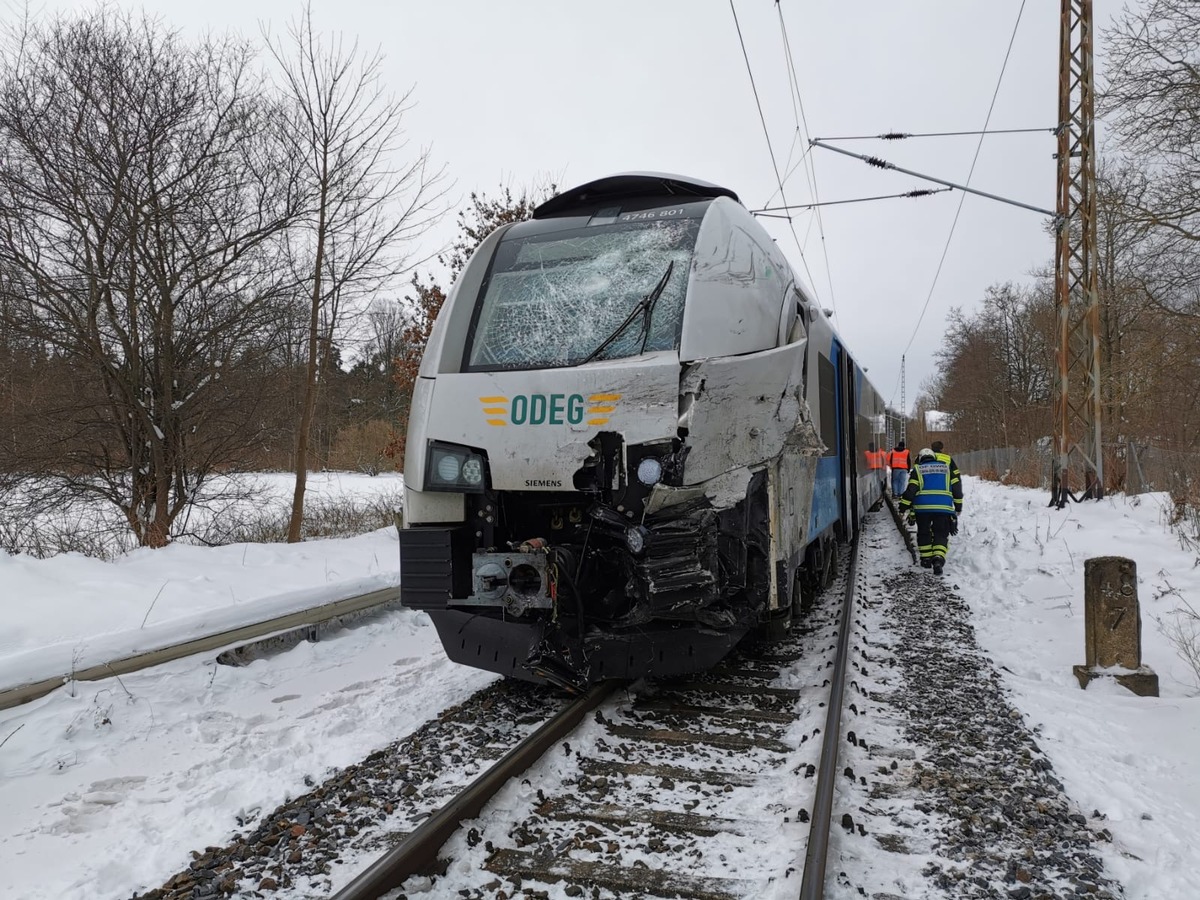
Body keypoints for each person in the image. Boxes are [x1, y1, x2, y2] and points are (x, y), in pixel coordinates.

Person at [898, 447, 963, 575]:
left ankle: (926, 559)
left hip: (923, 509)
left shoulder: (918, 469)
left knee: (923, 532)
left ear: (921, 458)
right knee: (940, 533)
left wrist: (903, 507)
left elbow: (911, 491)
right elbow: (956, 488)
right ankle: (938, 558)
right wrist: (958, 507)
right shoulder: (946, 469)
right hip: (943, 509)